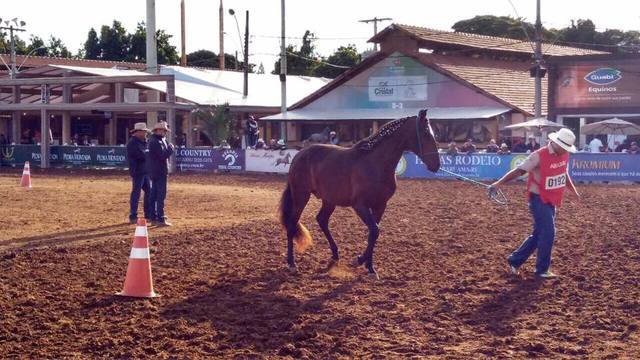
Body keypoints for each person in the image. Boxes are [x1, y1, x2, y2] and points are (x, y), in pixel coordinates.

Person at [489, 128, 580, 279]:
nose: (565, 151)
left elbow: (563, 173)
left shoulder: (563, 155)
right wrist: (498, 183)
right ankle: (542, 270)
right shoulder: (538, 155)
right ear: (556, 143)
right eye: (564, 148)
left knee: (540, 233)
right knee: (549, 232)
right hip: (538, 199)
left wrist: (573, 191)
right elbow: (519, 171)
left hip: (552, 199)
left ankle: (515, 260)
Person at [147, 121, 175, 226]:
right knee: (160, 195)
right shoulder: (156, 142)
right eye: (164, 130)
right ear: (158, 130)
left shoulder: (154, 140)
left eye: (165, 131)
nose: (165, 132)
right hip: (160, 171)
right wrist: (170, 149)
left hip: (155, 171)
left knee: (154, 194)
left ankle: (154, 217)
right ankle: (160, 218)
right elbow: (162, 156)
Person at [126, 122, 152, 224]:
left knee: (147, 192)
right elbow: (142, 155)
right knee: (136, 193)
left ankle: (147, 214)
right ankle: (133, 215)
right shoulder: (133, 143)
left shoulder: (143, 142)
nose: (145, 133)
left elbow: (145, 155)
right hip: (138, 171)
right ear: (138, 132)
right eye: (143, 131)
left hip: (144, 170)